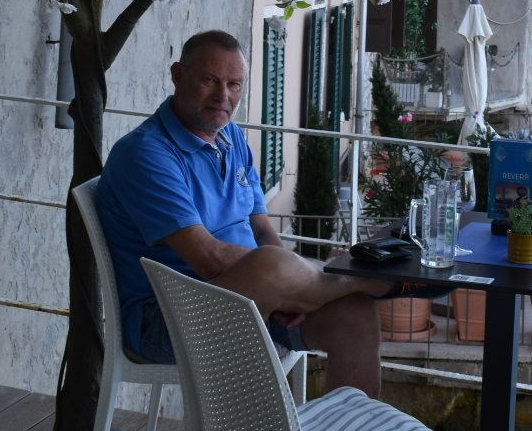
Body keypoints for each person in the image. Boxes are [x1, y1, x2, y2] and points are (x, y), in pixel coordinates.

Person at [98, 29, 430, 397]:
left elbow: (261, 229)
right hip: (169, 318)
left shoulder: (232, 138)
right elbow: (210, 260)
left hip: (252, 300)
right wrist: (285, 280)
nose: (223, 96)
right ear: (178, 75)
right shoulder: (146, 154)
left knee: (354, 312)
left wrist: (291, 287)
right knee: (273, 264)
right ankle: (364, 277)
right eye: (209, 80)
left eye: (234, 85)